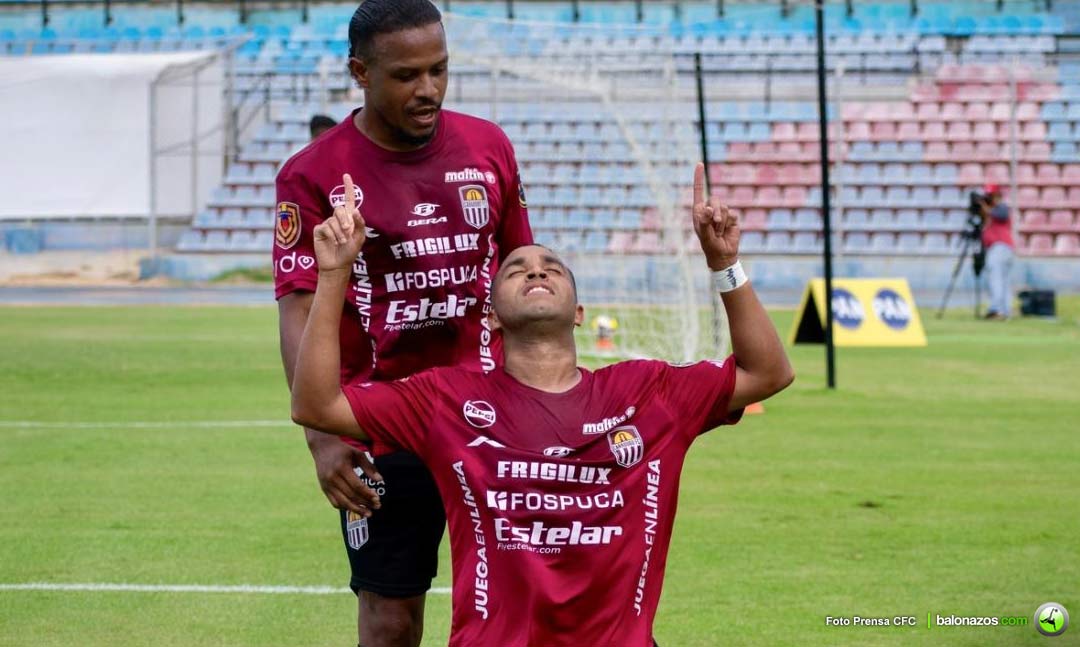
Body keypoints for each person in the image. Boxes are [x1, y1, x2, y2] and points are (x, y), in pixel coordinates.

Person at [290, 164, 794, 646]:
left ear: (578, 313)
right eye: (517, 269)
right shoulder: (445, 399)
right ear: (489, 317)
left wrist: (725, 265)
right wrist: (334, 275)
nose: (536, 271)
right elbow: (316, 405)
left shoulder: (648, 391)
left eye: (552, 267)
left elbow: (768, 373)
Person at [273, 1, 532, 645]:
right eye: (407, 75)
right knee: (390, 619)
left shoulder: (488, 145)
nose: (429, 90)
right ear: (360, 72)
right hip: (379, 426)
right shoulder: (311, 175)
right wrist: (321, 437)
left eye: (439, 71)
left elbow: (521, 272)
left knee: (524, 604)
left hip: (489, 416)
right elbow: (299, 309)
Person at [978, 183, 1015, 320]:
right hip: (1000, 248)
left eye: (990, 196)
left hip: (1000, 247)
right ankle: (1005, 310)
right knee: (1003, 280)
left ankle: (996, 309)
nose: (989, 198)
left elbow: (1002, 215)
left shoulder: (1002, 207)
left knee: (996, 278)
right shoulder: (990, 211)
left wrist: (985, 208)